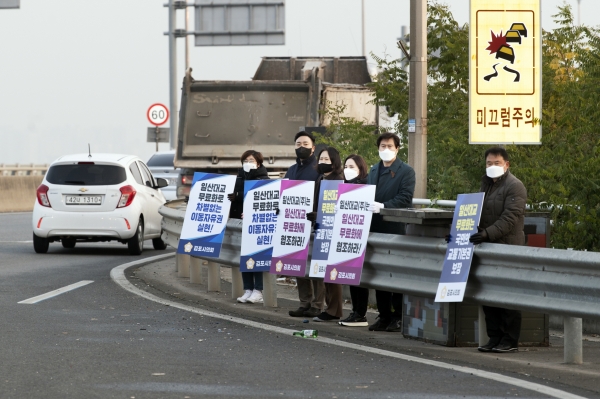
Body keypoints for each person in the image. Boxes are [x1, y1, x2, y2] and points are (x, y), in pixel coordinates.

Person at [472, 147, 527, 353]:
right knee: (488, 294)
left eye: (496, 163)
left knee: (508, 295)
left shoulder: (515, 186)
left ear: (506, 165)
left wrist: (487, 234)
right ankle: (494, 337)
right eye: (488, 163)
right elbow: (476, 212)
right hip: (487, 247)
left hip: (507, 247)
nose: (492, 167)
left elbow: (510, 218)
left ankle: (510, 340)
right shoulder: (485, 185)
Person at [366, 132, 415, 332]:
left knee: (395, 273)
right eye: (382, 146)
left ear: (397, 148)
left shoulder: (406, 171)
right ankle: (384, 315)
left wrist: (384, 206)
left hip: (395, 228)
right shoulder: (374, 169)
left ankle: (398, 316)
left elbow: (405, 197)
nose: (386, 149)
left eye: (390, 146)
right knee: (379, 274)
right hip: (374, 228)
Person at [284, 131, 324, 318]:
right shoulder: (291, 170)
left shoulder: (319, 169)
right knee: (297, 262)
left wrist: (318, 214)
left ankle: (317, 304)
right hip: (295, 223)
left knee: (316, 265)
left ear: (313, 148)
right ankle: (304, 302)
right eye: (298, 143)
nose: (302, 147)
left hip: (315, 222)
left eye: (306, 144)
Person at [308, 147, 345, 322]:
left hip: (332, 231)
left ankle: (334, 310)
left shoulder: (338, 181)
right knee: (324, 272)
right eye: (321, 159)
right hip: (321, 229)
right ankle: (330, 309)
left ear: (335, 161)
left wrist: (319, 215)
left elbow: (336, 209)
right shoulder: (321, 179)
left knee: (332, 272)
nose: (322, 162)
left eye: (327, 159)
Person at [228, 150, 270, 304]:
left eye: (251, 160)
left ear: (258, 163)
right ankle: (248, 289)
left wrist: (239, 195)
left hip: (257, 224)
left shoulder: (264, 178)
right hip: (240, 223)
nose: (248, 163)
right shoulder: (239, 177)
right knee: (244, 257)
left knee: (256, 256)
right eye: (245, 160)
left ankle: (258, 290)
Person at [337, 154, 371, 327]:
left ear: (361, 169)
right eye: (346, 166)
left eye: (352, 167)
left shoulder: (364, 188)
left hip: (360, 236)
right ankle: (356, 312)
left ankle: (360, 313)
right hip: (347, 236)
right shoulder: (343, 188)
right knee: (350, 276)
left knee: (359, 278)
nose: (348, 170)